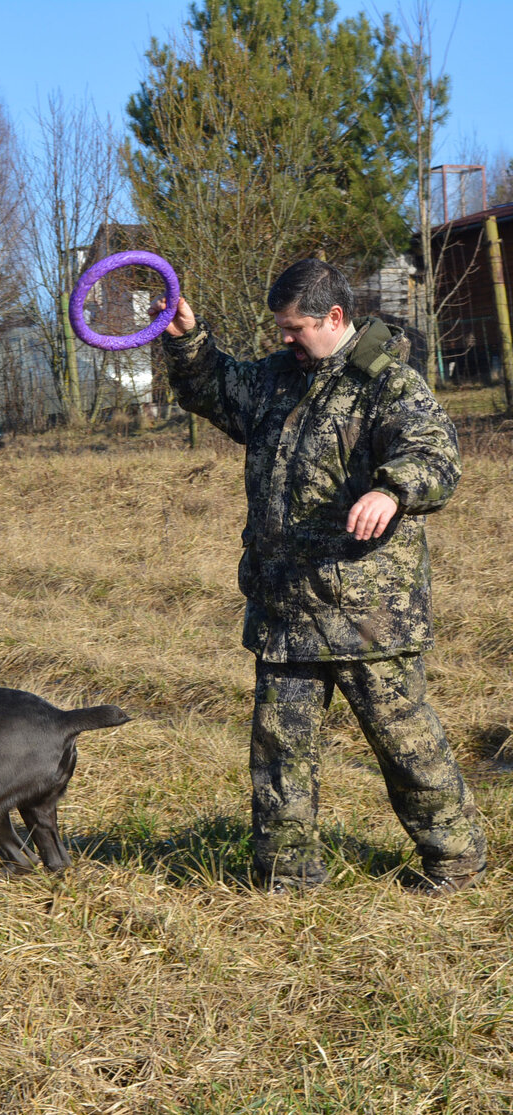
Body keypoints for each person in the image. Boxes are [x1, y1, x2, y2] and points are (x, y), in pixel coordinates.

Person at [153, 258, 486, 893]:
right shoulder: (278, 379)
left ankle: (456, 862)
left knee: (405, 745)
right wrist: (186, 338)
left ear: (335, 318)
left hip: (367, 610)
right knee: (280, 754)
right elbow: (215, 388)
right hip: (285, 605)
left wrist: (392, 491)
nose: (283, 338)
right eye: (279, 327)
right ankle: (285, 876)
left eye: (294, 328)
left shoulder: (387, 382)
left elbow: (435, 453)